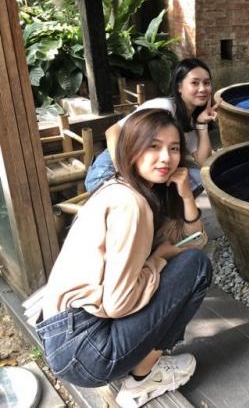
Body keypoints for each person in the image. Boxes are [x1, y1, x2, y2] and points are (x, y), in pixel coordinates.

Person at [36, 109, 213, 407]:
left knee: (187, 261)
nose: (165, 158)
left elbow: (195, 240)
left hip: (65, 339)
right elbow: (119, 303)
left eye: (173, 148)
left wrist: (185, 196)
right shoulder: (129, 204)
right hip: (86, 350)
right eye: (153, 146)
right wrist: (159, 258)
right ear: (131, 149)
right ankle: (143, 378)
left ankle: (141, 368)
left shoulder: (131, 191)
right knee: (196, 268)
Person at [85, 58, 218, 194]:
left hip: (146, 172)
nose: (202, 89)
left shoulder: (191, 120)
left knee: (198, 178)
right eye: (194, 83)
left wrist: (202, 124)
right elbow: (112, 132)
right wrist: (123, 172)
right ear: (179, 87)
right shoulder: (163, 107)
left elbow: (202, 162)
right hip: (108, 172)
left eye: (206, 83)